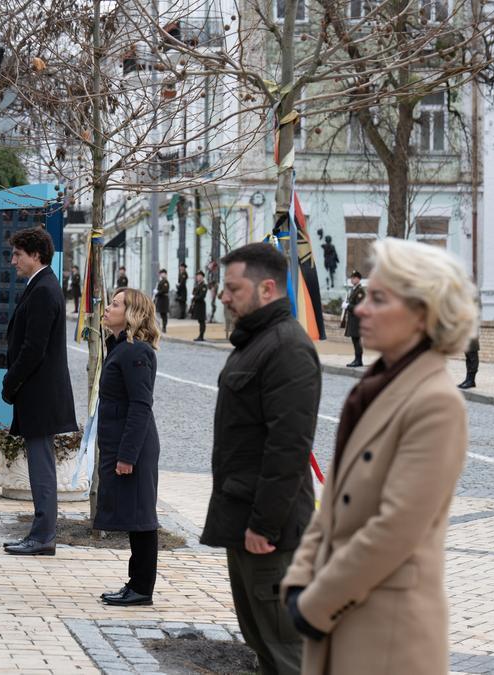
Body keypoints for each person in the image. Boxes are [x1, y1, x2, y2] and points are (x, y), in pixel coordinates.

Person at [281, 238, 476, 675]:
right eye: (365, 296)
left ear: (423, 313)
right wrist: (299, 579)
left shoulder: (436, 402)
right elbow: (332, 505)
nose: (361, 310)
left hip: (387, 634)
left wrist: (315, 601)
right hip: (340, 614)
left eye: (379, 299)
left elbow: (397, 528)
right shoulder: (376, 386)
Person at [200, 243, 320, 675]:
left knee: (289, 653)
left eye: (233, 288)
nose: (223, 296)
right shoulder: (257, 341)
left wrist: (264, 526)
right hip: (247, 524)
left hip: (271, 535)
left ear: (267, 288)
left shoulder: (287, 347)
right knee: (264, 648)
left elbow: (288, 448)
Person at [2, 227, 79, 556]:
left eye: (18, 254)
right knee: (38, 466)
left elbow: (34, 349)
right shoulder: (40, 286)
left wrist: (10, 382)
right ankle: (39, 533)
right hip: (37, 394)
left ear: (36, 255)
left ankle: (43, 535)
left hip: (40, 395)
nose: (13, 261)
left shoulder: (45, 289)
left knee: (41, 467)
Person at [95, 288, 162, 607]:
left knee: (141, 517)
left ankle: (142, 589)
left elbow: (140, 405)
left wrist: (126, 456)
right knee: (135, 516)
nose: (107, 308)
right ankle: (134, 583)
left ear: (132, 313)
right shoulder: (120, 347)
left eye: (116, 304)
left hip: (133, 445)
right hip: (121, 440)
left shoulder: (136, 352)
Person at [343, 270, 365, 367]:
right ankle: (357, 359)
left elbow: (359, 307)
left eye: (354, 278)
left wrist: (348, 306)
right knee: (355, 340)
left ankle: (358, 360)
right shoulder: (354, 290)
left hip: (357, 320)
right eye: (351, 277)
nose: (352, 279)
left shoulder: (360, 291)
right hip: (353, 320)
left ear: (358, 279)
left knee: (357, 341)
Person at [190, 270, 209, 341]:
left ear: (203, 277)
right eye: (198, 276)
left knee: (202, 321)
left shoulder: (204, 285)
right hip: (197, 305)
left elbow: (202, 296)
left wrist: (194, 297)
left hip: (201, 305)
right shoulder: (197, 285)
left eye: (200, 276)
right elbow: (194, 292)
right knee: (200, 321)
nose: (198, 277)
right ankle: (200, 335)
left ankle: (201, 336)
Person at [206, 257, 221, 321]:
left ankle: (213, 317)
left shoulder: (215, 272)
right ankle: (211, 317)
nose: (209, 265)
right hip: (211, 287)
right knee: (211, 302)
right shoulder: (209, 272)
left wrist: (213, 288)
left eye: (211, 264)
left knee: (213, 302)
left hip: (213, 287)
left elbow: (214, 282)